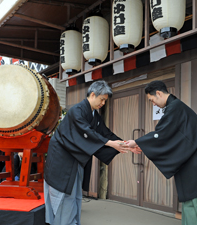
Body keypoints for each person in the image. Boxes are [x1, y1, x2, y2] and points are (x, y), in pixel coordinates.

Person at [126, 80, 197, 225]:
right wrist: (142, 144)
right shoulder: (175, 107)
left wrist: (137, 142)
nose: (153, 104)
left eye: (152, 100)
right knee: (193, 203)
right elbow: (169, 136)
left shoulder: (175, 108)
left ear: (159, 93)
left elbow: (162, 135)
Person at [44, 80, 132, 225]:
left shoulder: (94, 115)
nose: (103, 103)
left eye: (104, 100)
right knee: (63, 196)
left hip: (75, 160)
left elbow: (105, 133)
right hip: (61, 160)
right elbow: (87, 132)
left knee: (75, 196)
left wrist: (125, 144)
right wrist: (109, 143)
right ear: (92, 94)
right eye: (102, 99)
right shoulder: (76, 111)